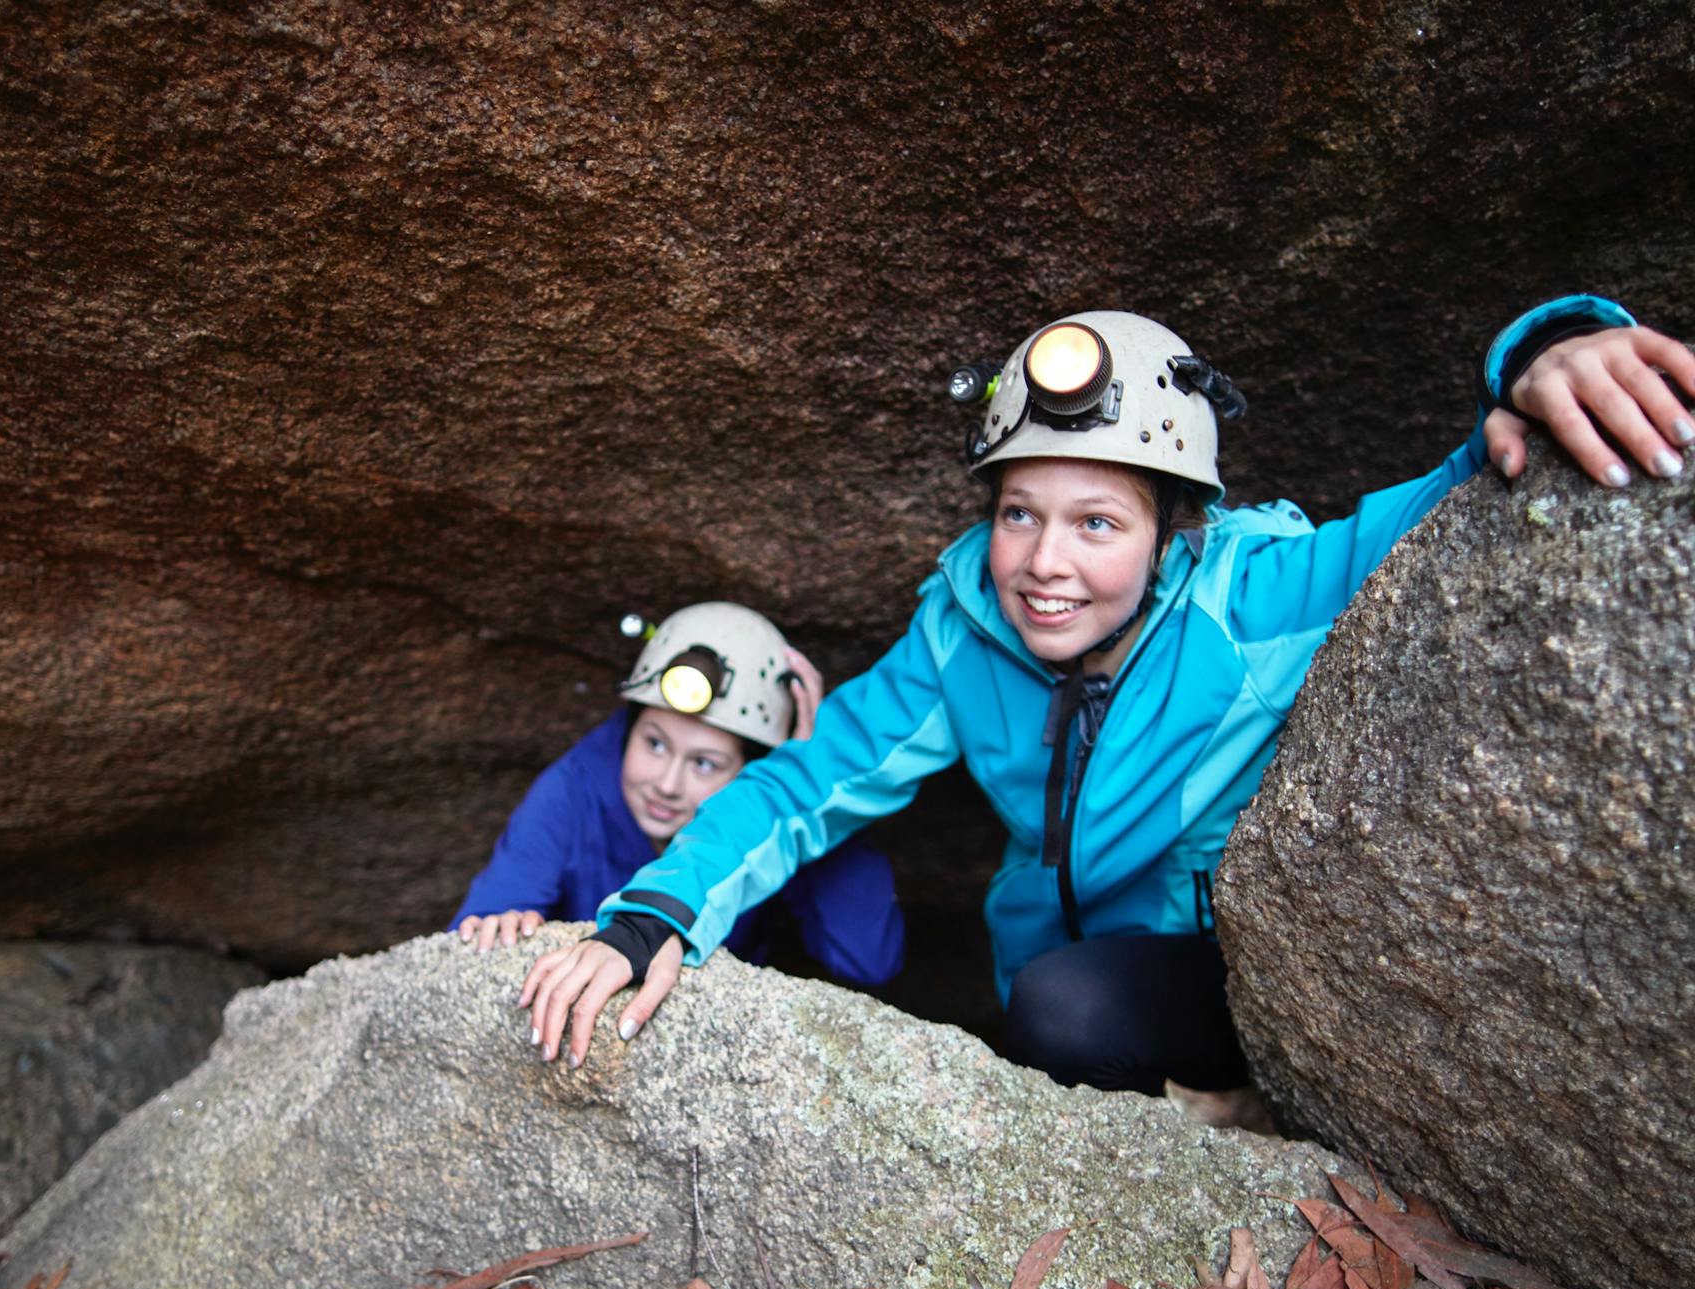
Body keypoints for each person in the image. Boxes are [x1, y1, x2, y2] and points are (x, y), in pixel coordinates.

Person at [520, 296, 1695, 1081]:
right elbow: (799, 788)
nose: (1043, 562)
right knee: (1042, 1010)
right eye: (1018, 513)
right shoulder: (959, 637)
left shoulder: (1249, 598)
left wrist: (1550, 348)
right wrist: (650, 915)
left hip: (1232, 983)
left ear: (1173, 528)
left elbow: (1454, 480)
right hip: (1043, 988)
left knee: (1063, 1008)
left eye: (1096, 521)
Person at [453, 601, 904, 991]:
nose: (667, 784)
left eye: (704, 763)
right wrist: (500, 928)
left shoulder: (767, 813)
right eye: (654, 743)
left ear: (758, 774)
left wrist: (809, 787)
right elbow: (479, 926)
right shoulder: (577, 787)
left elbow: (867, 960)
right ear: (629, 728)